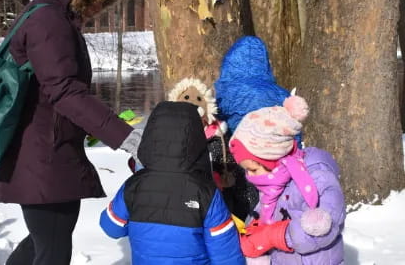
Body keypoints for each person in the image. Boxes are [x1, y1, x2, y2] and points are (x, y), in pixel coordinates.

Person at [0, 0, 142, 265]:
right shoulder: (49, 21)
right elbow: (64, 92)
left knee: (44, 241)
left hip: (42, 152)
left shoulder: (47, 16)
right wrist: (127, 138)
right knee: (52, 248)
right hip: (43, 156)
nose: (100, 7)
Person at [100, 101, 245, 265]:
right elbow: (226, 253)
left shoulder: (134, 185)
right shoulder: (206, 190)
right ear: (196, 139)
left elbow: (110, 227)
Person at [229, 95, 346, 264]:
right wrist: (253, 233)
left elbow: (323, 230)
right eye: (246, 171)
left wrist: (272, 235)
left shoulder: (316, 177)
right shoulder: (272, 185)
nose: (250, 177)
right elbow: (264, 215)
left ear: (271, 157)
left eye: (253, 169)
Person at [214, 35, 302, 221]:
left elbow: (217, 122)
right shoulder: (280, 94)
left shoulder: (225, 94)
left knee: (244, 197)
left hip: (241, 155)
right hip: (275, 159)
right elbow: (294, 130)